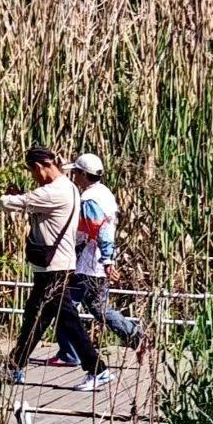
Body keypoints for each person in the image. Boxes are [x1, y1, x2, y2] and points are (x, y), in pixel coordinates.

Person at [0, 147, 110, 391]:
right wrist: (17, 197)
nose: (34, 177)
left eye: (33, 171)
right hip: (54, 265)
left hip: (54, 266)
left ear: (41, 166)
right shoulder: (66, 187)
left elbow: (21, 203)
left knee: (67, 319)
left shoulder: (56, 191)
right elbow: (34, 205)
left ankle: (98, 369)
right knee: (36, 316)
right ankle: (15, 366)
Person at [45, 153, 144, 367]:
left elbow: (103, 230)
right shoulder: (104, 193)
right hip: (91, 262)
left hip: (90, 264)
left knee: (77, 306)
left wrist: (107, 260)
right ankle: (68, 352)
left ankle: (135, 337)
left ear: (82, 174)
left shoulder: (89, 199)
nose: (73, 176)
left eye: (76, 173)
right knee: (74, 305)